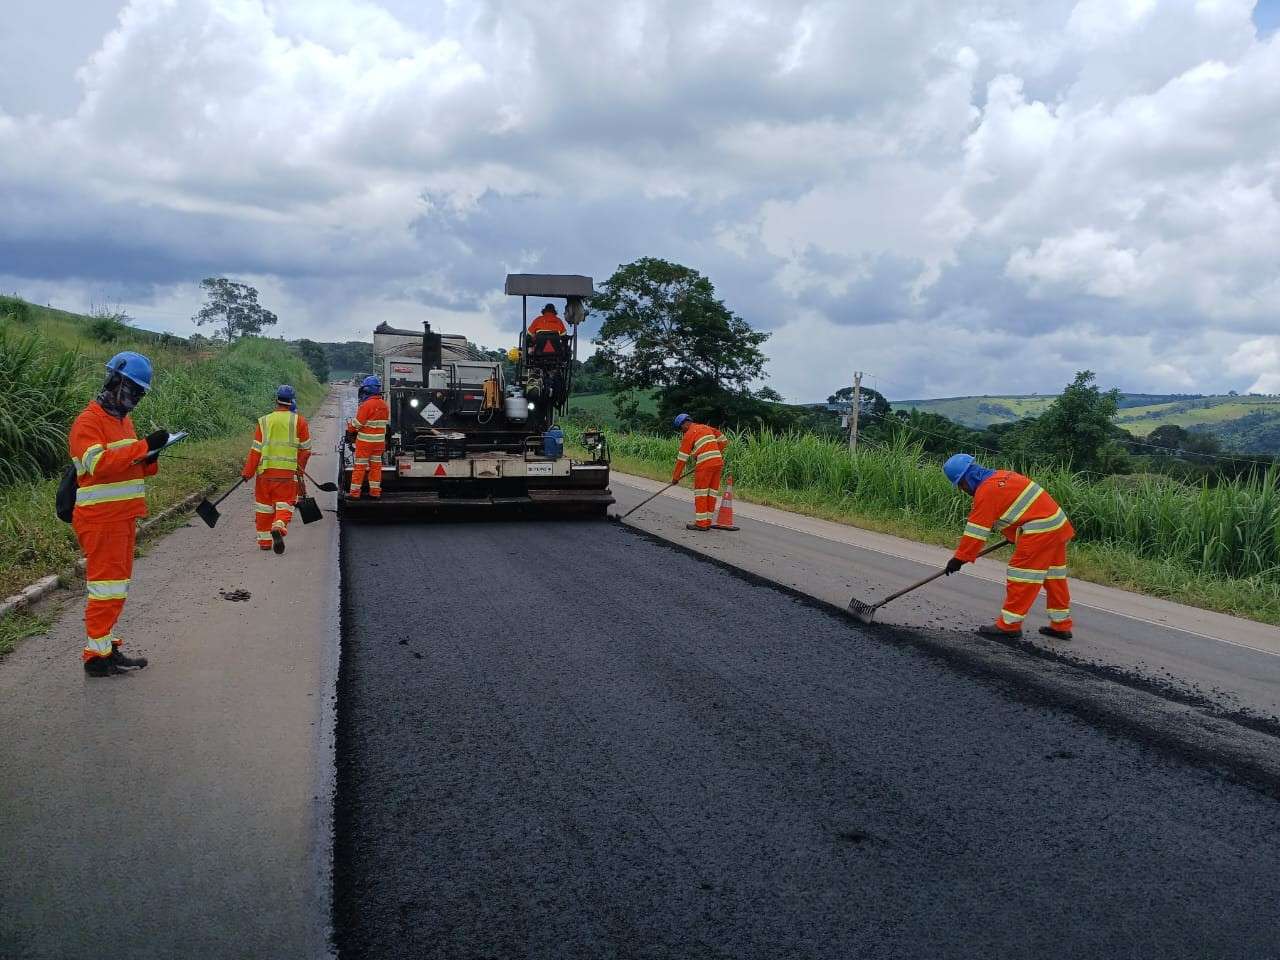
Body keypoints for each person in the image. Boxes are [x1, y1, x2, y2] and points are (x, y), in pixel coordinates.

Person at [68, 351, 168, 677]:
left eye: (140, 394)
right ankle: (96, 658)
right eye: (133, 391)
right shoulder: (88, 422)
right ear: (115, 382)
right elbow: (99, 464)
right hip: (101, 522)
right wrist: (142, 448)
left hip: (121, 519)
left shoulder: (122, 421)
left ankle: (106, 648)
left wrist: (151, 452)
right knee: (105, 589)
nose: (135, 400)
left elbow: (132, 465)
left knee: (116, 589)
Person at [943, 454, 1075, 640]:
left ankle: (1009, 625)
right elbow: (1020, 509)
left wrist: (959, 559)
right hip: (1056, 525)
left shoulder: (986, 492)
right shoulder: (1003, 476)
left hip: (1040, 532)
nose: (963, 490)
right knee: (1054, 576)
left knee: (1020, 576)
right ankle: (1061, 625)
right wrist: (1016, 533)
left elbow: (976, 532)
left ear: (966, 479)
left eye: (961, 486)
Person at [242, 385, 312, 554]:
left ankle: (265, 542)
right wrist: (299, 469)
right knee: (285, 504)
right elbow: (306, 450)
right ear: (292, 401)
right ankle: (278, 527)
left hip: (264, 474)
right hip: (287, 474)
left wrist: (248, 472)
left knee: (264, 507)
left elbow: (255, 450)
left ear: (277, 400)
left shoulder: (264, 421)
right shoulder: (299, 421)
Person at [671, 413, 729, 531]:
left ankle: (701, 524)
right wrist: (713, 452)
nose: (682, 431)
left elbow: (682, 458)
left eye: (681, 428)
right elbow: (724, 440)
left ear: (685, 423)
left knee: (701, 493)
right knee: (711, 494)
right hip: (718, 463)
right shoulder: (706, 427)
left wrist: (676, 477)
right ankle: (707, 522)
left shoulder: (689, 434)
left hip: (705, 465)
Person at [347, 375, 389, 499]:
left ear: (367, 390)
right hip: (379, 443)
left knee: (360, 467)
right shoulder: (384, 405)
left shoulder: (366, 405)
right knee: (376, 467)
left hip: (365, 443)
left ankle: (354, 493)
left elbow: (357, 425)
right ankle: (375, 492)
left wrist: (350, 426)